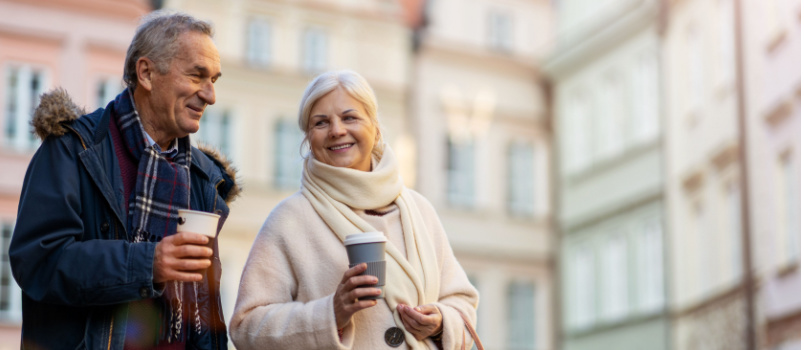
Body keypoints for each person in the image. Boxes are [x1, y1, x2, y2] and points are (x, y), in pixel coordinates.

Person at [9, 11, 239, 350]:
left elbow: (203, 313)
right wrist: (150, 262)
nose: (210, 95)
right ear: (146, 73)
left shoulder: (204, 179)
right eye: (196, 75)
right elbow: (38, 262)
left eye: (214, 80)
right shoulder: (73, 150)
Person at [229, 70, 479, 349]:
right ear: (308, 137)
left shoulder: (420, 210)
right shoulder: (289, 219)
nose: (337, 130)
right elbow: (246, 327)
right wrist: (330, 314)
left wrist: (441, 322)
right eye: (321, 122)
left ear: (376, 127)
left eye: (349, 117)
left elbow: (462, 303)